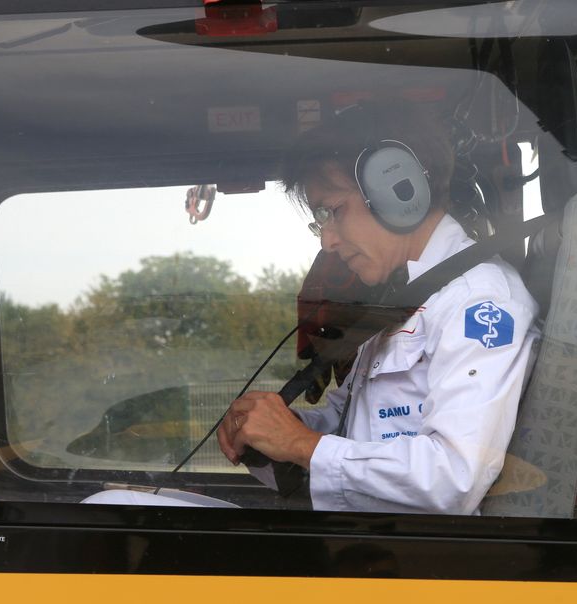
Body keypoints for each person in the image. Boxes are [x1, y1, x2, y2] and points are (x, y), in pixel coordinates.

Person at [216, 101, 539, 515]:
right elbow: (353, 425)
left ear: (396, 190)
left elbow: (454, 478)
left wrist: (301, 445)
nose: (326, 241)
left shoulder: (479, 300)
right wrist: (268, 435)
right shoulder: (406, 296)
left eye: (332, 212)